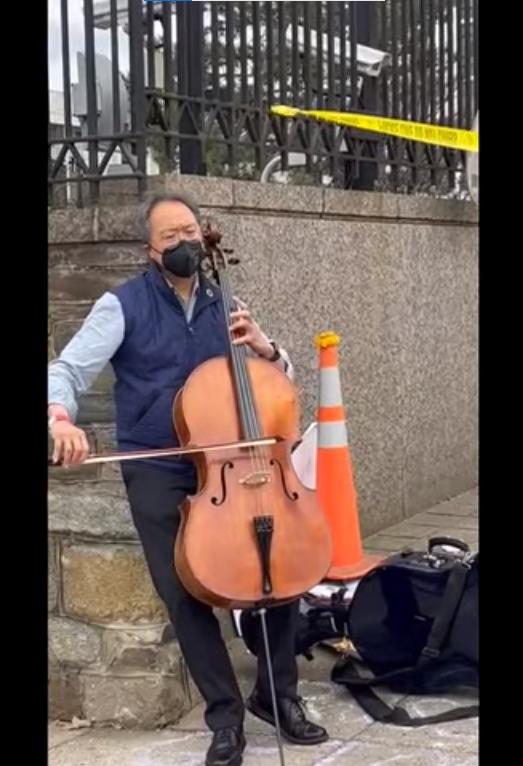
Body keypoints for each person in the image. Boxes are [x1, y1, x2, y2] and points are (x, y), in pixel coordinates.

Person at [48, 192, 329, 766]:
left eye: (191, 231)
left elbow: (278, 384)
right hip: (158, 464)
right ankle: (225, 717)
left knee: (280, 570)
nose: (185, 243)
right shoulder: (121, 305)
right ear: (150, 250)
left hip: (235, 465)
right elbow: (69, 370)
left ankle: (277, 696)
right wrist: (58, 418)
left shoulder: (226, 301)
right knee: (184, 591)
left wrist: (268, 348)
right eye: (170, 236)